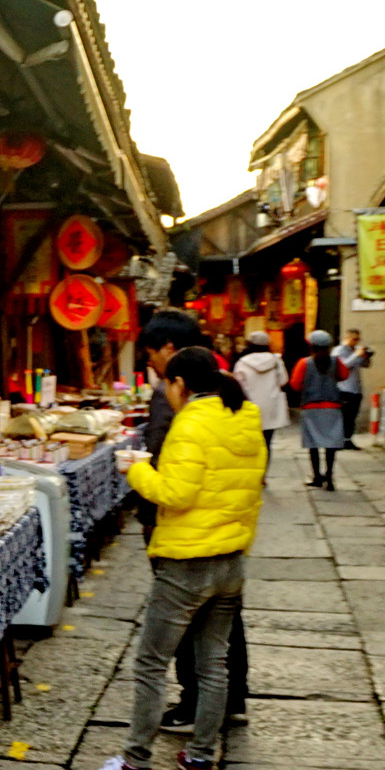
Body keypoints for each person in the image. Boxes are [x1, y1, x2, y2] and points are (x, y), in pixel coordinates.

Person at [82, 345, 264, 770]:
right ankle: (201, 759)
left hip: (187, 562)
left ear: (180, 383)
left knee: (150, 663)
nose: (167, 390)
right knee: (213, 665)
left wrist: (137, 471)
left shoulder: (192, 422)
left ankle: (136, 763)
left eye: (167, 382)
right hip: (230, 561)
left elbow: (176, 493)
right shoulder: (244, 416)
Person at [136, 310, 249, 734]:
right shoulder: (235, 401)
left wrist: (134, 470)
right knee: (221, 630)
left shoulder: (179, 401)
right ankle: (228, 703)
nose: (150, 363)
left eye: (151, 353)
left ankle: (190, 708)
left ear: (170, 350)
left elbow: (171, 482)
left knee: (173, 636)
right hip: (229, 536)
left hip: (187, 536)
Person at [290, 328, 353, 488]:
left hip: (311, 407)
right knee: (331, 445)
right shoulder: (336, 362)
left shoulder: (304, 363)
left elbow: (295, 385)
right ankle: (330, 477)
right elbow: (344, 376)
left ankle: (317, 476)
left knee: (313, 444)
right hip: (333, 406)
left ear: (312, 346)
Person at [232, 330, 290, 464]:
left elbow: (238, 384)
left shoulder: (242, 362)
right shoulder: (276, 361)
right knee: (267, 442)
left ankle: (252, 469)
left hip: (249, 406)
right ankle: (263, 472)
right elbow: (283, 380)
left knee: (250, 441)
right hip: (271, 406)